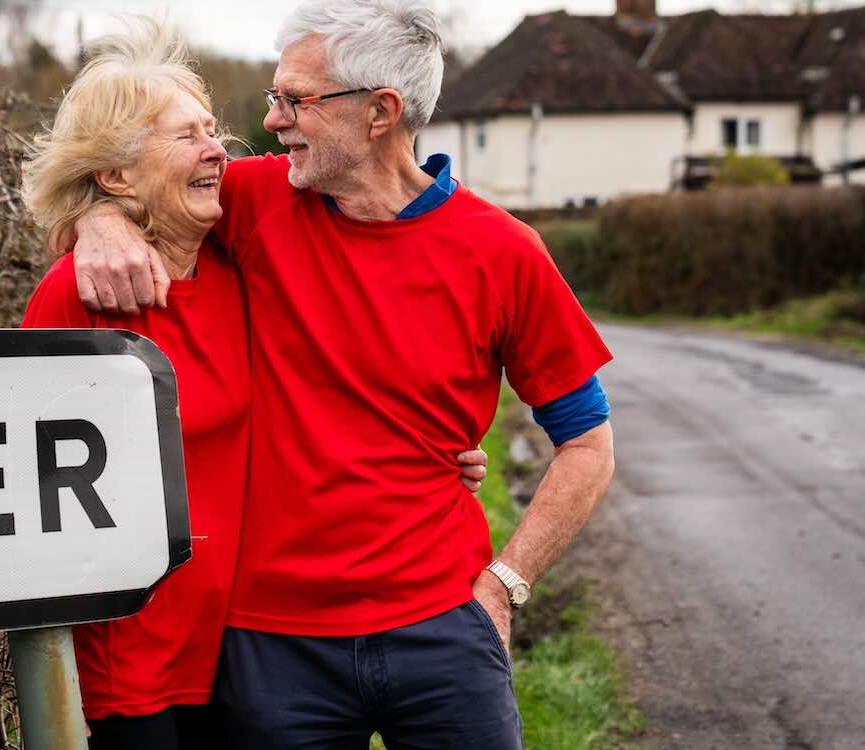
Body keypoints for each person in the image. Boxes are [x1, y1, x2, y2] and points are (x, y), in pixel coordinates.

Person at [68, 1, 617, 748]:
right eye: (274, 97)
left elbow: (586, 442)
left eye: (295, 99)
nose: (273, 121)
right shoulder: (256, 201)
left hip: (445, 627)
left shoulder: (505, 253)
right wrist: (98, 222)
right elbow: (139, 181)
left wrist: (508, 582)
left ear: (379, 113)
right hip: (272, 646)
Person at [17, 18, 490, 750]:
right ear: (115, 174)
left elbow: (324, 384)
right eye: (186, 136)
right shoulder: (84, 297)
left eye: (212, 129)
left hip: (239, 652)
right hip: (135, 657)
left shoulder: (238, 267)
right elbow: (31, 479)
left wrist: (432, 451)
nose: (220, 150)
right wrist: (96, 220)